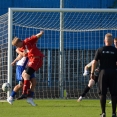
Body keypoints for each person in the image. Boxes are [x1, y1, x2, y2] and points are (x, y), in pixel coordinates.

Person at [90, 33, 117, 117]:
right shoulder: (116, 51)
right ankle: (113, 113)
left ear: (104, 40)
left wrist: (92, 73)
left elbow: (94, 62)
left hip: (103, 73)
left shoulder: (100, 50)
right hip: (113, 72)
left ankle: (103, 113)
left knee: (102, 93)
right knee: (114, 94)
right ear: (112, 41)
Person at [12, 30, 44, 99]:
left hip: (37, 59)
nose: (17, 47)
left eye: (17, 45)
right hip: (32, 61)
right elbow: (20, 53)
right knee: (24, 74)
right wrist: (15, 61)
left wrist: (41, 33)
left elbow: (36, 37)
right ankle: (29, 95)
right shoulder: (22, 48)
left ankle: (25, 93)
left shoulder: (27, 41)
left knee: (26, 75)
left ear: (20, 42)